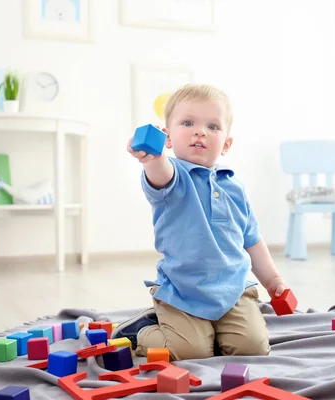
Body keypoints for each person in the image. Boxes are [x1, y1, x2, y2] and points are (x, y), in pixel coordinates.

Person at [113, 83, 289, 361]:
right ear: (168, 137)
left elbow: (251, 239)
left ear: (226, 144)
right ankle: (144, 331)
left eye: (213, 126)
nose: (200, 131)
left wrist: (272, 280)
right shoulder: (173, 178)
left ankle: (214, 332)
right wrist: (153, 157)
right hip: (183, 292)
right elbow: (160, 172)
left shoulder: (235, 188)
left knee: (253, 348)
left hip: (233, 290)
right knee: (190, 352)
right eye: (188, 123)